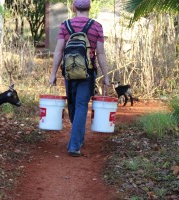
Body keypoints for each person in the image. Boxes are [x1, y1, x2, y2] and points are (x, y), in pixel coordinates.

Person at [49, 0, 110, 157]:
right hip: (88, 72)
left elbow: (59, 51)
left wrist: (53, 74)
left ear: (74, 7)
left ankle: (74, 145)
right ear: (89, 8)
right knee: (81, 106)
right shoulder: (96, 26)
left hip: (69, 72)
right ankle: (77, 139)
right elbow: (101, 53)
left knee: (74, 105)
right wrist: (106, 76)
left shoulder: (65, 25)